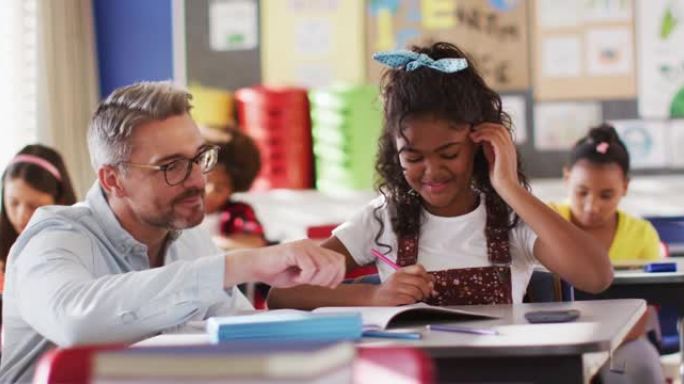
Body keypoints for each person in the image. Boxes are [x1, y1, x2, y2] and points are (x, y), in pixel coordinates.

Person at [0, 81, 346, 383]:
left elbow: (239, 337)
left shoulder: (186, 236)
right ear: (112, 179)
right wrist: (239, 265)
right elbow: (75, 322)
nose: (198, 180)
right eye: (172, 166)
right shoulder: (52, 237)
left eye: (199, 158)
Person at [267, 42, 612, 310]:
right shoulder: (383, 218)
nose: (431, 172)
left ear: (479, 143)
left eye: (449, 154)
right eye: (413, 157)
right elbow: (282, 293)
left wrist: (508, 186)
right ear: (394, 152)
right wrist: (374, 297)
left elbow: (596, 277)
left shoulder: (511, 219)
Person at [550, 124, 665, 384]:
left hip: (625, 340)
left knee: (636, 368)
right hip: (555, 338)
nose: (592, 206)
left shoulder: (641, 233)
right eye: (582, 192)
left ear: (625, 187)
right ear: (567, 178)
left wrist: (597, 353)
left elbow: (644, 314)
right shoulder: (548, 219)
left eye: (607, 195)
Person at [0, 144, 77, 291]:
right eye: (13, 203)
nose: (21, 216)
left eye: (33, 206)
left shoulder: (76, 245)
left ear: (59, 202)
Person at [203, 128, 266, 250]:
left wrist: (205, 243)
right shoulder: (175, 210)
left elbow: (254, 243)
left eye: (220, 187)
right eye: (206, 180)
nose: (210, 191)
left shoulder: (236, 213)